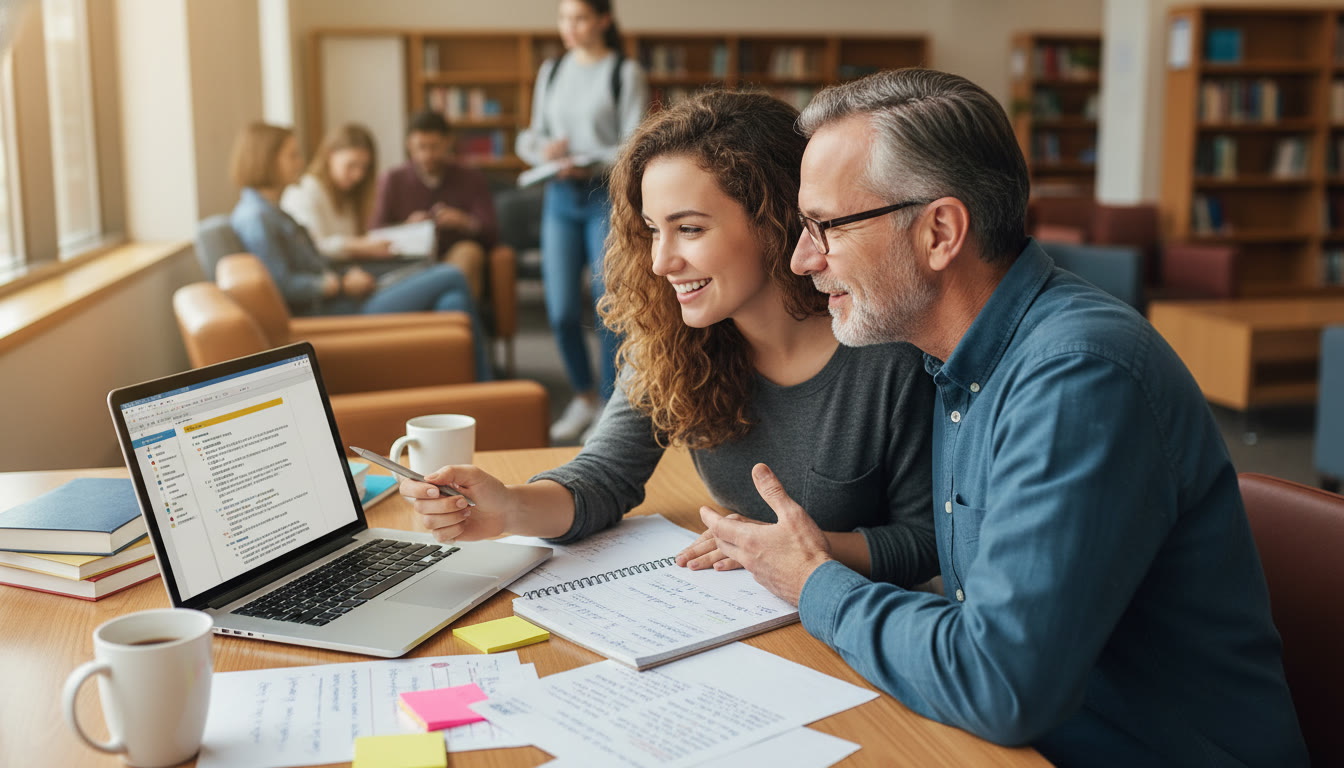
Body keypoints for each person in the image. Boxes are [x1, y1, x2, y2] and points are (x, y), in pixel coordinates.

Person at [701, 70, 1307, 766]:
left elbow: (1000, 684)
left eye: (825, 227)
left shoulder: (1079, 377)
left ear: (939, 232)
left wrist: (813, 583)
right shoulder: (961, 363)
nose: (803, 259)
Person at [402, 90, 938, 588]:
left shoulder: (888, 349)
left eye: (691, 229)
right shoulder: (674, 341)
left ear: (776, 221)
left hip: (859, 618)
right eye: (654, 230)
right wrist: (509, 509)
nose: (661, 262)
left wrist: (805, 549)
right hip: (746, 607)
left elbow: (926, 543)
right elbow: (605, 475)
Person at [228, 122, 493, 380]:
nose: (300, 162)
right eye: (292, 155)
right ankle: (486, 383)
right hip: (336, 310)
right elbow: (281, 284)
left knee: (452, 302)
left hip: (346, 296)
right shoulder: (257, 218)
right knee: (451, 275)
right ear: (266, 159)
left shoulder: (273, 212)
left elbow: (313, 261)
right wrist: (340, 284)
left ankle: (469, 384)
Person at [516, 0, 649, 443]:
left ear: (603, 21)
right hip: (559, 196)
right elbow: (531, 135)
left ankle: (611, 405)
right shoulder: (552, 71)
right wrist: (545, 152)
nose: (568, 28)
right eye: (563, 18)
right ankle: (583, 396)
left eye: (578, 18)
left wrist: (588, 162)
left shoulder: (623, 73)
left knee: (605, 301)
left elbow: (633, 146)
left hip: (601, 196)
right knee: (559, 310)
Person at [369, 110, 497, 300]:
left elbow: (492, 231)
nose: (427, 155)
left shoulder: (471, 178)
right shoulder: (392, 180)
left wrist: (464, 222)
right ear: (409, 146)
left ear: (448, 143)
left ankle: (455, 314)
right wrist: (407, 228)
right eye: (421, 147)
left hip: (453, 256)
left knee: (469, 253)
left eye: (434, 147)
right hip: (409, 260)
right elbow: (375, 232)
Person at [280, 123, 397, 262]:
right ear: (330, 155)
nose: (358, 175)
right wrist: (360, 246)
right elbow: (313, 247)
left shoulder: (349, 195)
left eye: (364, 167)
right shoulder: (304, 192)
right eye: (351, 165)